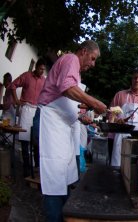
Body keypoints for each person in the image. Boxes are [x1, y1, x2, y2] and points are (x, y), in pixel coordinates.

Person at [36, 40, 107, 221]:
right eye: (92, 58)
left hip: (62, 127)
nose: (93, 64)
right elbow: (67, 87)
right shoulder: (70, 59)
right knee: (55, 174)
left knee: (66, 173)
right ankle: (54, 217)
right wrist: (94, 102)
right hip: (51, 122)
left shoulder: (75, 68)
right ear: (83, 51)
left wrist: (83, 110)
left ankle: (67, 215)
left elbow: (67, 96)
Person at [10, 58, 46, 176]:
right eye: (40, 69)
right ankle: (26, 168)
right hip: (25, 109)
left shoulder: (44, 81)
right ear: (36, 67)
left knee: (36, 139)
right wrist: (16, 100)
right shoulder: (27, 76)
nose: (42, 71)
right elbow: (12, 85)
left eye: (44, 70)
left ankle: (36, 167)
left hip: (37, 110)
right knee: (25, 139)